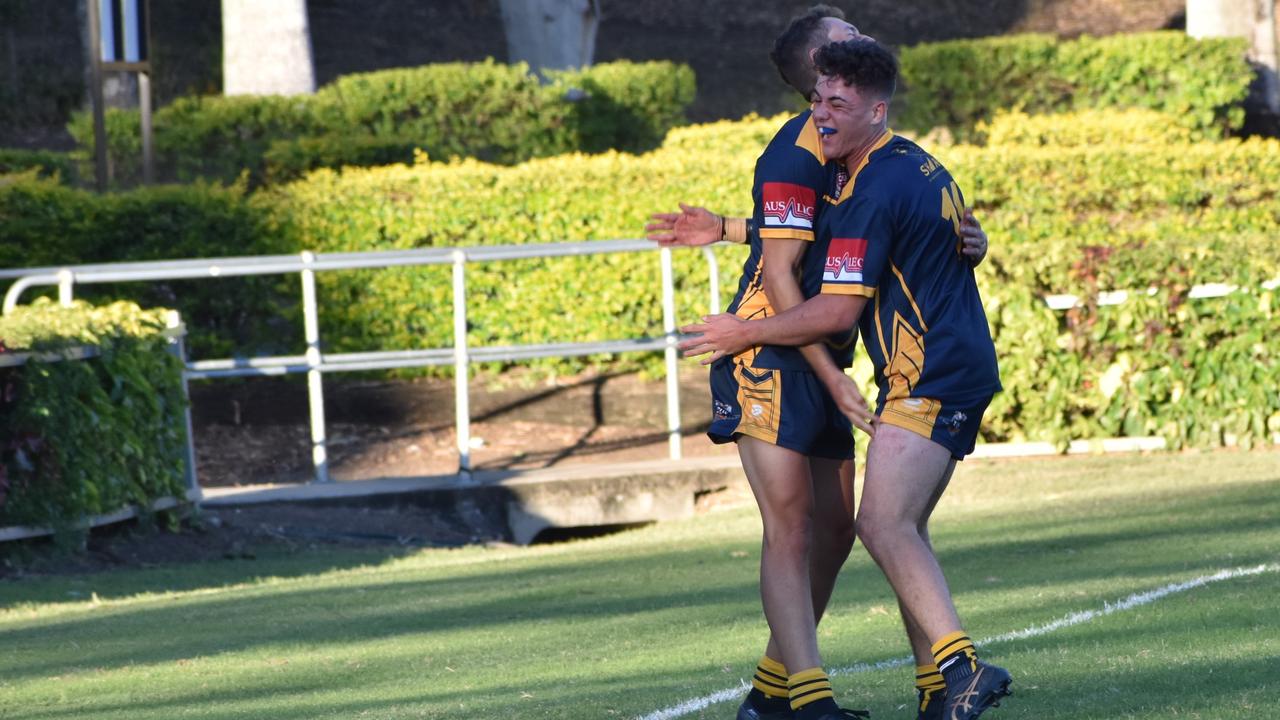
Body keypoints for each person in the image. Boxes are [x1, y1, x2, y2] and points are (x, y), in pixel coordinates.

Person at [677, 39, 1013, 720]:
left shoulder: (863, 179)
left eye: (839, 101)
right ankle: (823, 695)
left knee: (879, 525)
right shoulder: (891, 159)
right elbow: (794, 245)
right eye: (818, 97)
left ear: (876, 108)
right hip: (894, 362)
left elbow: (833, 302)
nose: (825, 112)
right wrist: (725, 228)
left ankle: (960, 670)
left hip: (921, 367)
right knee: (852, 527)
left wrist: (745, 332)